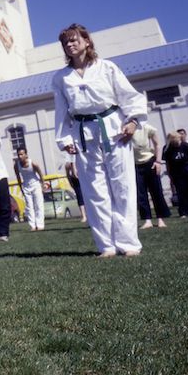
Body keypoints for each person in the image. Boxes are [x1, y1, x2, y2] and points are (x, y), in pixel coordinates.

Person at [53, 23, 146, 257]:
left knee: (122, 186)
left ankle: (128, 244)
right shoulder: (61, 78)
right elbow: (61, 110)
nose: (70, 44)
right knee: (94, 190)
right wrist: (64, 138)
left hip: (114, 129)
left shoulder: (107, 68)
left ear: (87, 41)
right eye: (66, 42)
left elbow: (128, 96)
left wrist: (132, 121)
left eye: (74, 40)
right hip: (84, 134)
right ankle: (106, 246)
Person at [131, 123, 170, 229]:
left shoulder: (148, 128)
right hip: (135, 165)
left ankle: (160, 219)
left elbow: (158, 144)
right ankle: (147, 220)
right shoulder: (125, 129)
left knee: (156, 191)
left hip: (150, 163)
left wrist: (158, 161)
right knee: (141, 194)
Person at [162, 132, 188, 217]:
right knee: (181, 192)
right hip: (177, 173)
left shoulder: (187, 146)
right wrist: (170, 176)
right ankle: (184, 212)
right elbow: (168, 163)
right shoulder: (168, 149)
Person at [14, 148, 46, 231]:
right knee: (29, 207)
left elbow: (40, 174)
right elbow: (18, 177)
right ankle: (32, 226)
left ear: (26, 155)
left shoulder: (33, 163)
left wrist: (43, 185)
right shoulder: (16, 165)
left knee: (38, 205)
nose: (20, 156)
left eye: (22, 154)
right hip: (26, 187)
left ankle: (40, 225)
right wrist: (21, 188)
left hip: (36, 185)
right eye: (18, 155)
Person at [64, 158, 87, 222]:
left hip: (83, 178)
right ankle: (84, 216)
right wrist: (70, 183)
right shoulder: (68, 164)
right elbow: (68, 175)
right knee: (80, 197)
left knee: (87, 196)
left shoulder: (80, 160)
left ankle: (89, 214)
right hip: (75, 180)